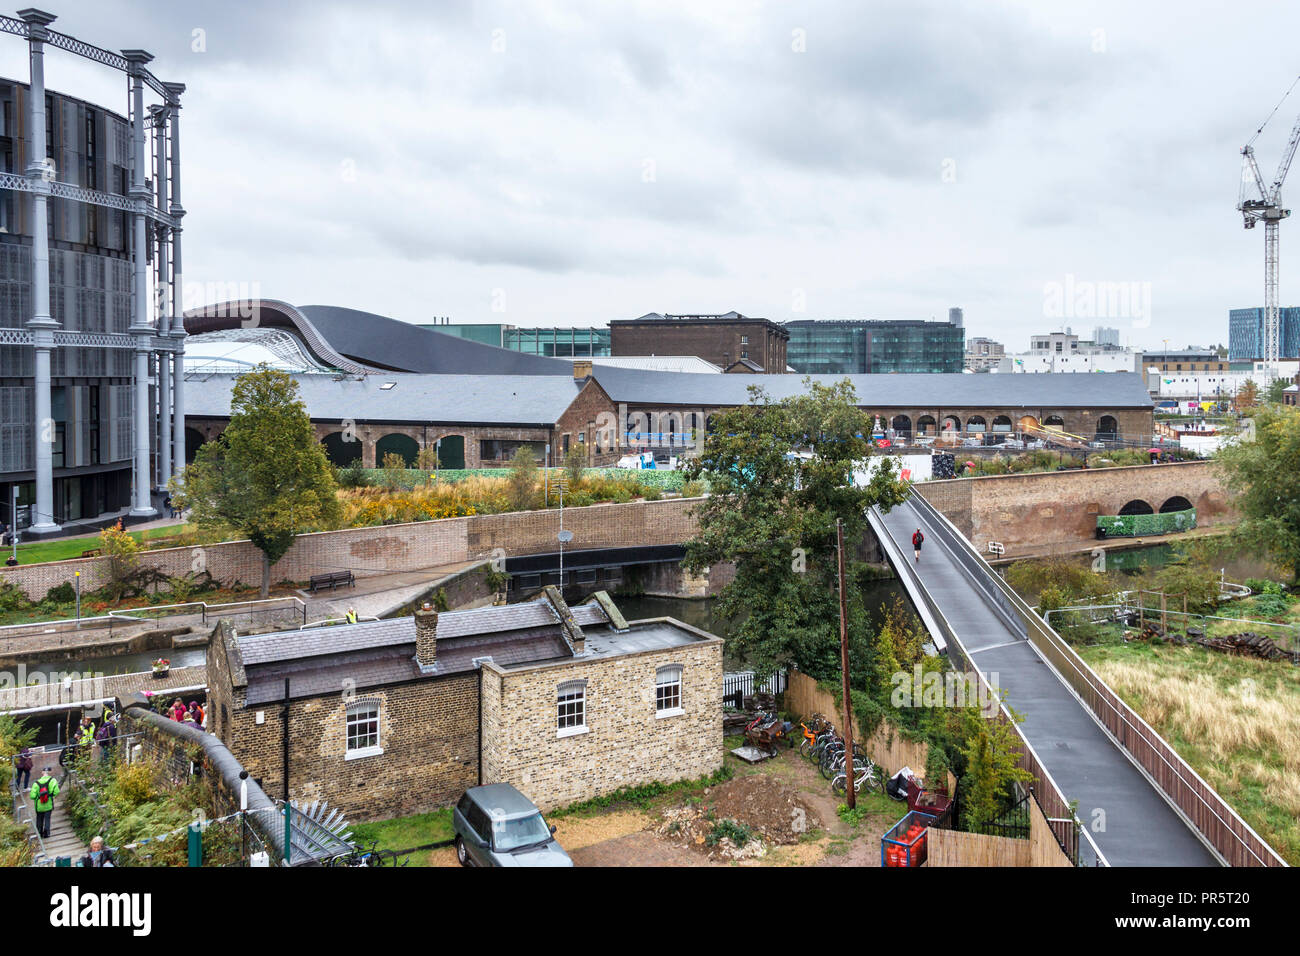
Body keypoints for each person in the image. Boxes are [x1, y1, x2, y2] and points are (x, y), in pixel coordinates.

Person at [30, 767, 59, 838]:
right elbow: (56, 792)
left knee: (39, 818)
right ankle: (47, 833)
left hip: (39, 805)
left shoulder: (36, 783)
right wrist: (51, 795)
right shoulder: (53, 780)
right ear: (50, 773)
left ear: (42, 773)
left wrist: (38, 796)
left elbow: (32, 796)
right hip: (48, 804)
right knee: (47, 818)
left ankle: (39, 833)